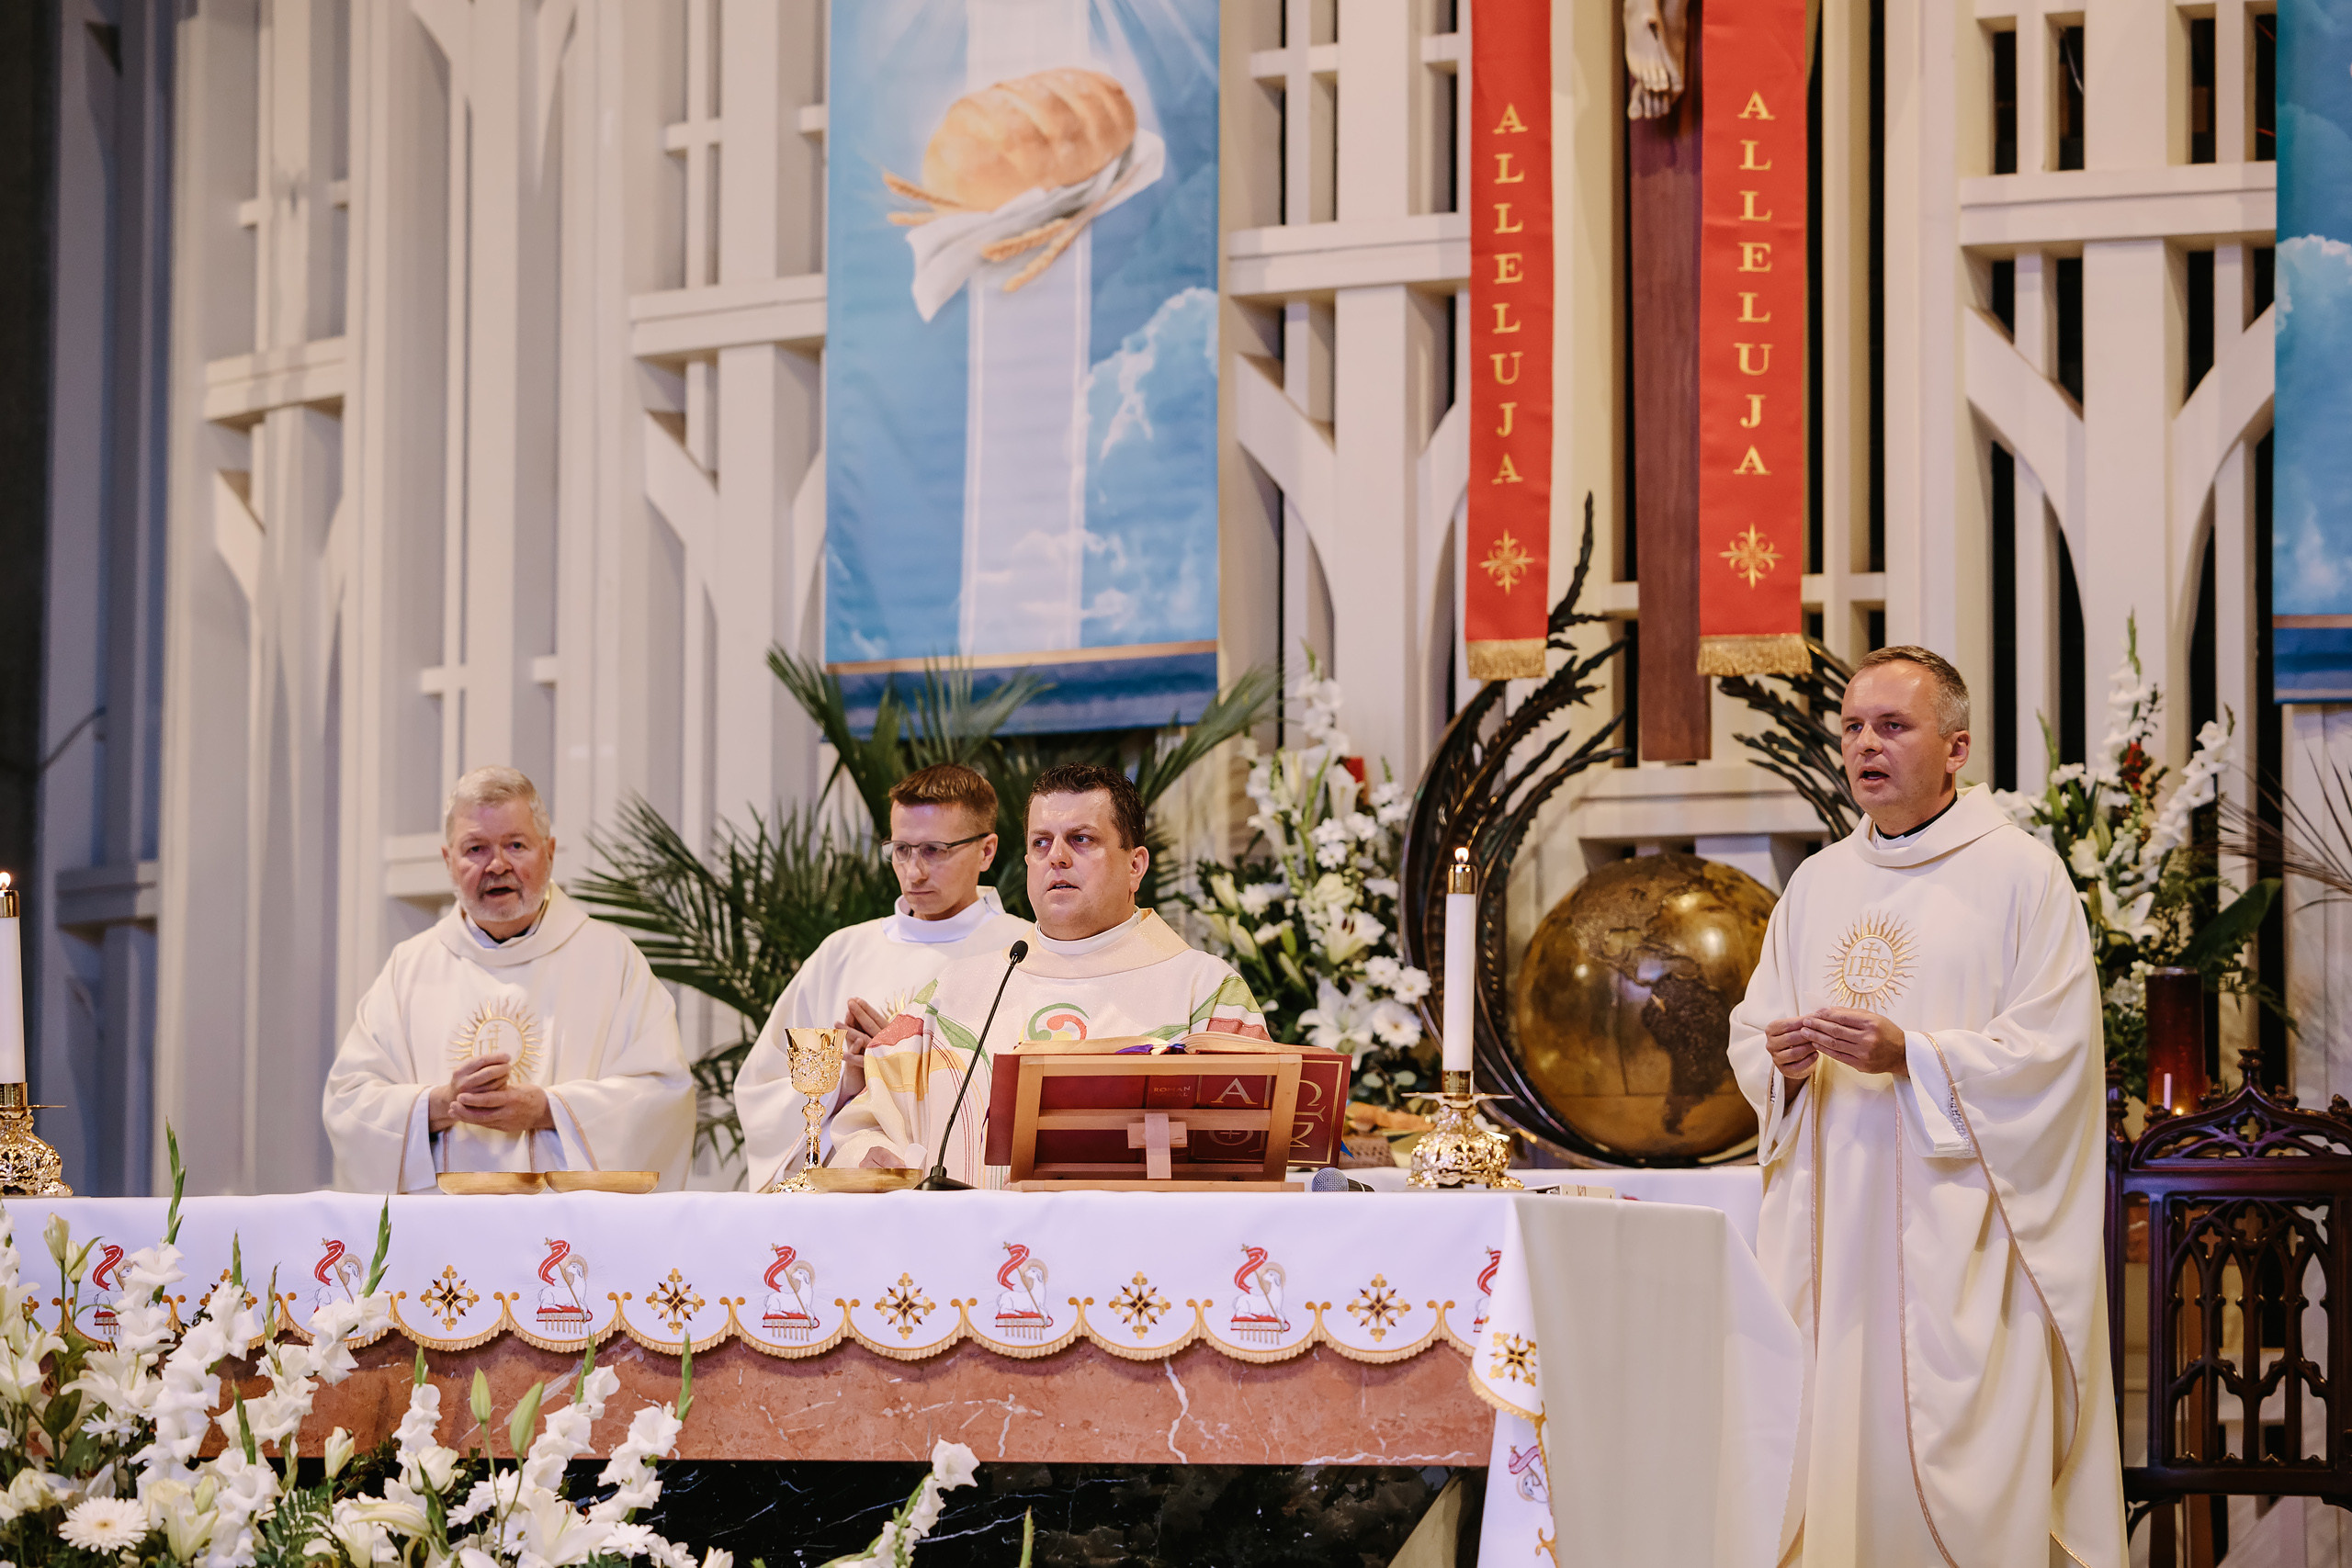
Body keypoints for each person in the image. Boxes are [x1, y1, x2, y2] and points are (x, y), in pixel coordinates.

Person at [1726, 648, 2124, 1566]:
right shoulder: (1816, 884)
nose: (1867, 746)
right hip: (1835, 1240)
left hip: (1965, 1248)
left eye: (1892, 727)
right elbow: (1754, 1028)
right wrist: (1779, 1065)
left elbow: (2054, 1056)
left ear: (1956, 747)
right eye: (1853, 728)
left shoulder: (2022, 877)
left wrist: (1914, 1056)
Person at [827, 762, 1268, 1184]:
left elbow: (1248, 1152)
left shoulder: (1205, 992)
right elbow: (863, 1126)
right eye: (1040, 843)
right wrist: (870, 1158)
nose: (1056, 857)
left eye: (1081, 839)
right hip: (977, 1257)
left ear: (1135, 865)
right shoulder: (949, 996)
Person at [322, 766, 694, 1192]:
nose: (497, 865)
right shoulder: (409, 969)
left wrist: (548, 1110)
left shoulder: (611, 961)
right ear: (448, 861)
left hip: (569, 1239)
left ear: (550, 853)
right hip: (441, 1241)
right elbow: (348, 1104)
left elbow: (663, 1097)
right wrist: (440, 1105)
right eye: (475, 849)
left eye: (516, 845)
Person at [732, 762, 1029, 1190]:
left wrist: (898, 1061)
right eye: (901, 850)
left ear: (986, 850)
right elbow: (761, 1087)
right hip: (857, 1194)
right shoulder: (842, 952)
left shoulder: (1021, 951)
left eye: (934, 850)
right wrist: (843, 1083)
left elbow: (1030, 1082)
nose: (914, 871)